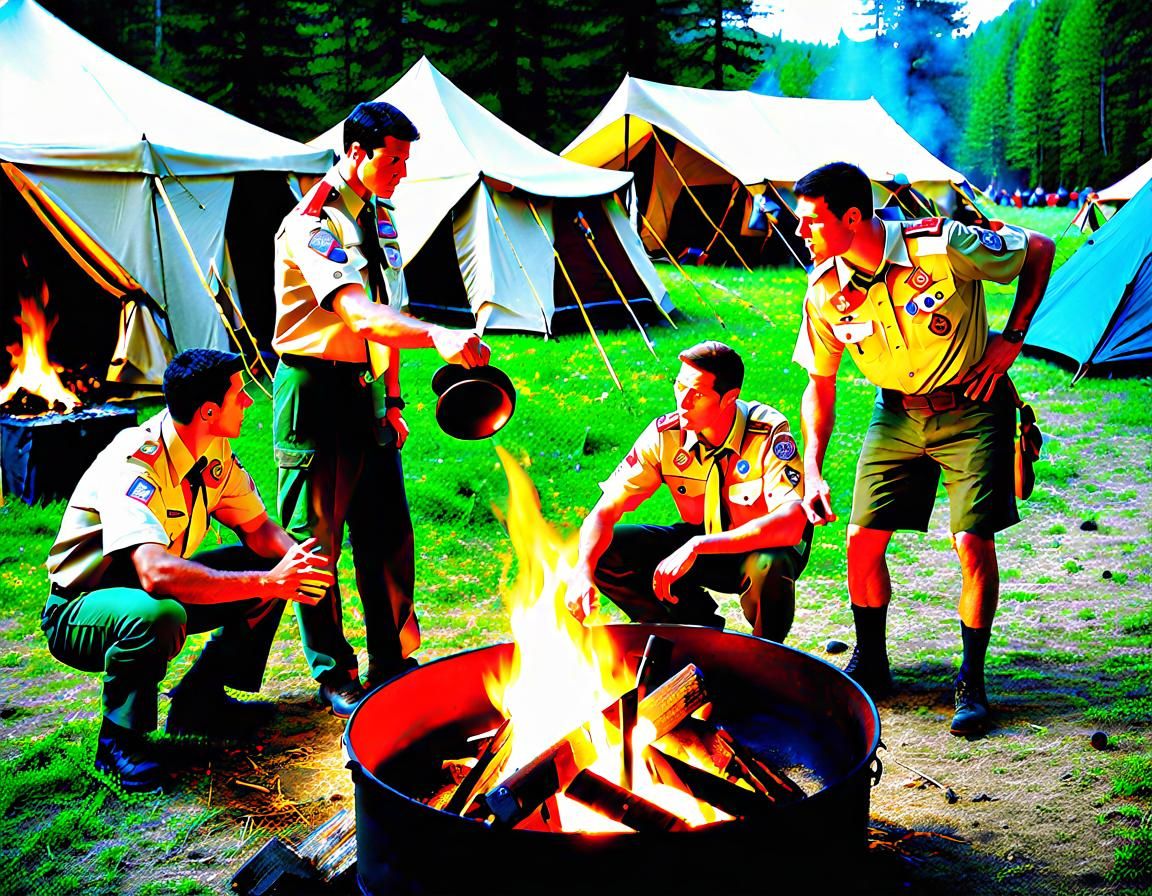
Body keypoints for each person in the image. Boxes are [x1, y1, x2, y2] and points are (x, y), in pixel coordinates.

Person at [790, 161, 1054, 737]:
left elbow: (1037, 246)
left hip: (973, 405)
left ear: (853, 217)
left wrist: (1011, 340)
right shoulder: (825, 291)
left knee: (971, 542)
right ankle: (872, 662)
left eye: (811, 220)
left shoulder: (940, 246)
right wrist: (811, 468)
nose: (800, 231)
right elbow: (820, 383)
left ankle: (972, 681)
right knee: (860, 540)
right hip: (897, 412)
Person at [273, 101, 491, 719]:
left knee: (389, 534)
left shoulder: (381, 215)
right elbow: (358, 313)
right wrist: (440, 336)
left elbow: (387, 309)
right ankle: (334, 671)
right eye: (391, 159)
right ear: (355, 153)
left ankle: (391, 662)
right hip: (314, 390)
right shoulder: (313, 223)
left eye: (405, 159)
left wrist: (392, 398)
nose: (400, 170)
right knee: (317, 541)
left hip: (366, 390)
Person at [41, 349, 333, 792]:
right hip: (81, 607)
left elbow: (256, 527)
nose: (250, 402)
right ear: (209, 411)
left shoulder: (210, 446)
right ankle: (119, 741)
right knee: (159, 616)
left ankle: (201, 702)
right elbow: (156, 575)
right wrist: (270, 582)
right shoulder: (134, 462)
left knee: (273, 563)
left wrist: (298, 563)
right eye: (240, 395)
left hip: (151, 587)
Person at [566, 341, 810, 642]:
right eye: (679, 386)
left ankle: (763, 656)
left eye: (697, 394)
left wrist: (699, 545)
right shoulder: (666, 434)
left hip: (758, 548)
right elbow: (603, 511)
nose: (683, 401)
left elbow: (792, 523)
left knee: (771, 563)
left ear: (729, 398)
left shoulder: (766, 430)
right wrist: (583, 571)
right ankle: (689, 638)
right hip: (701, 540)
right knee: (607, 550)